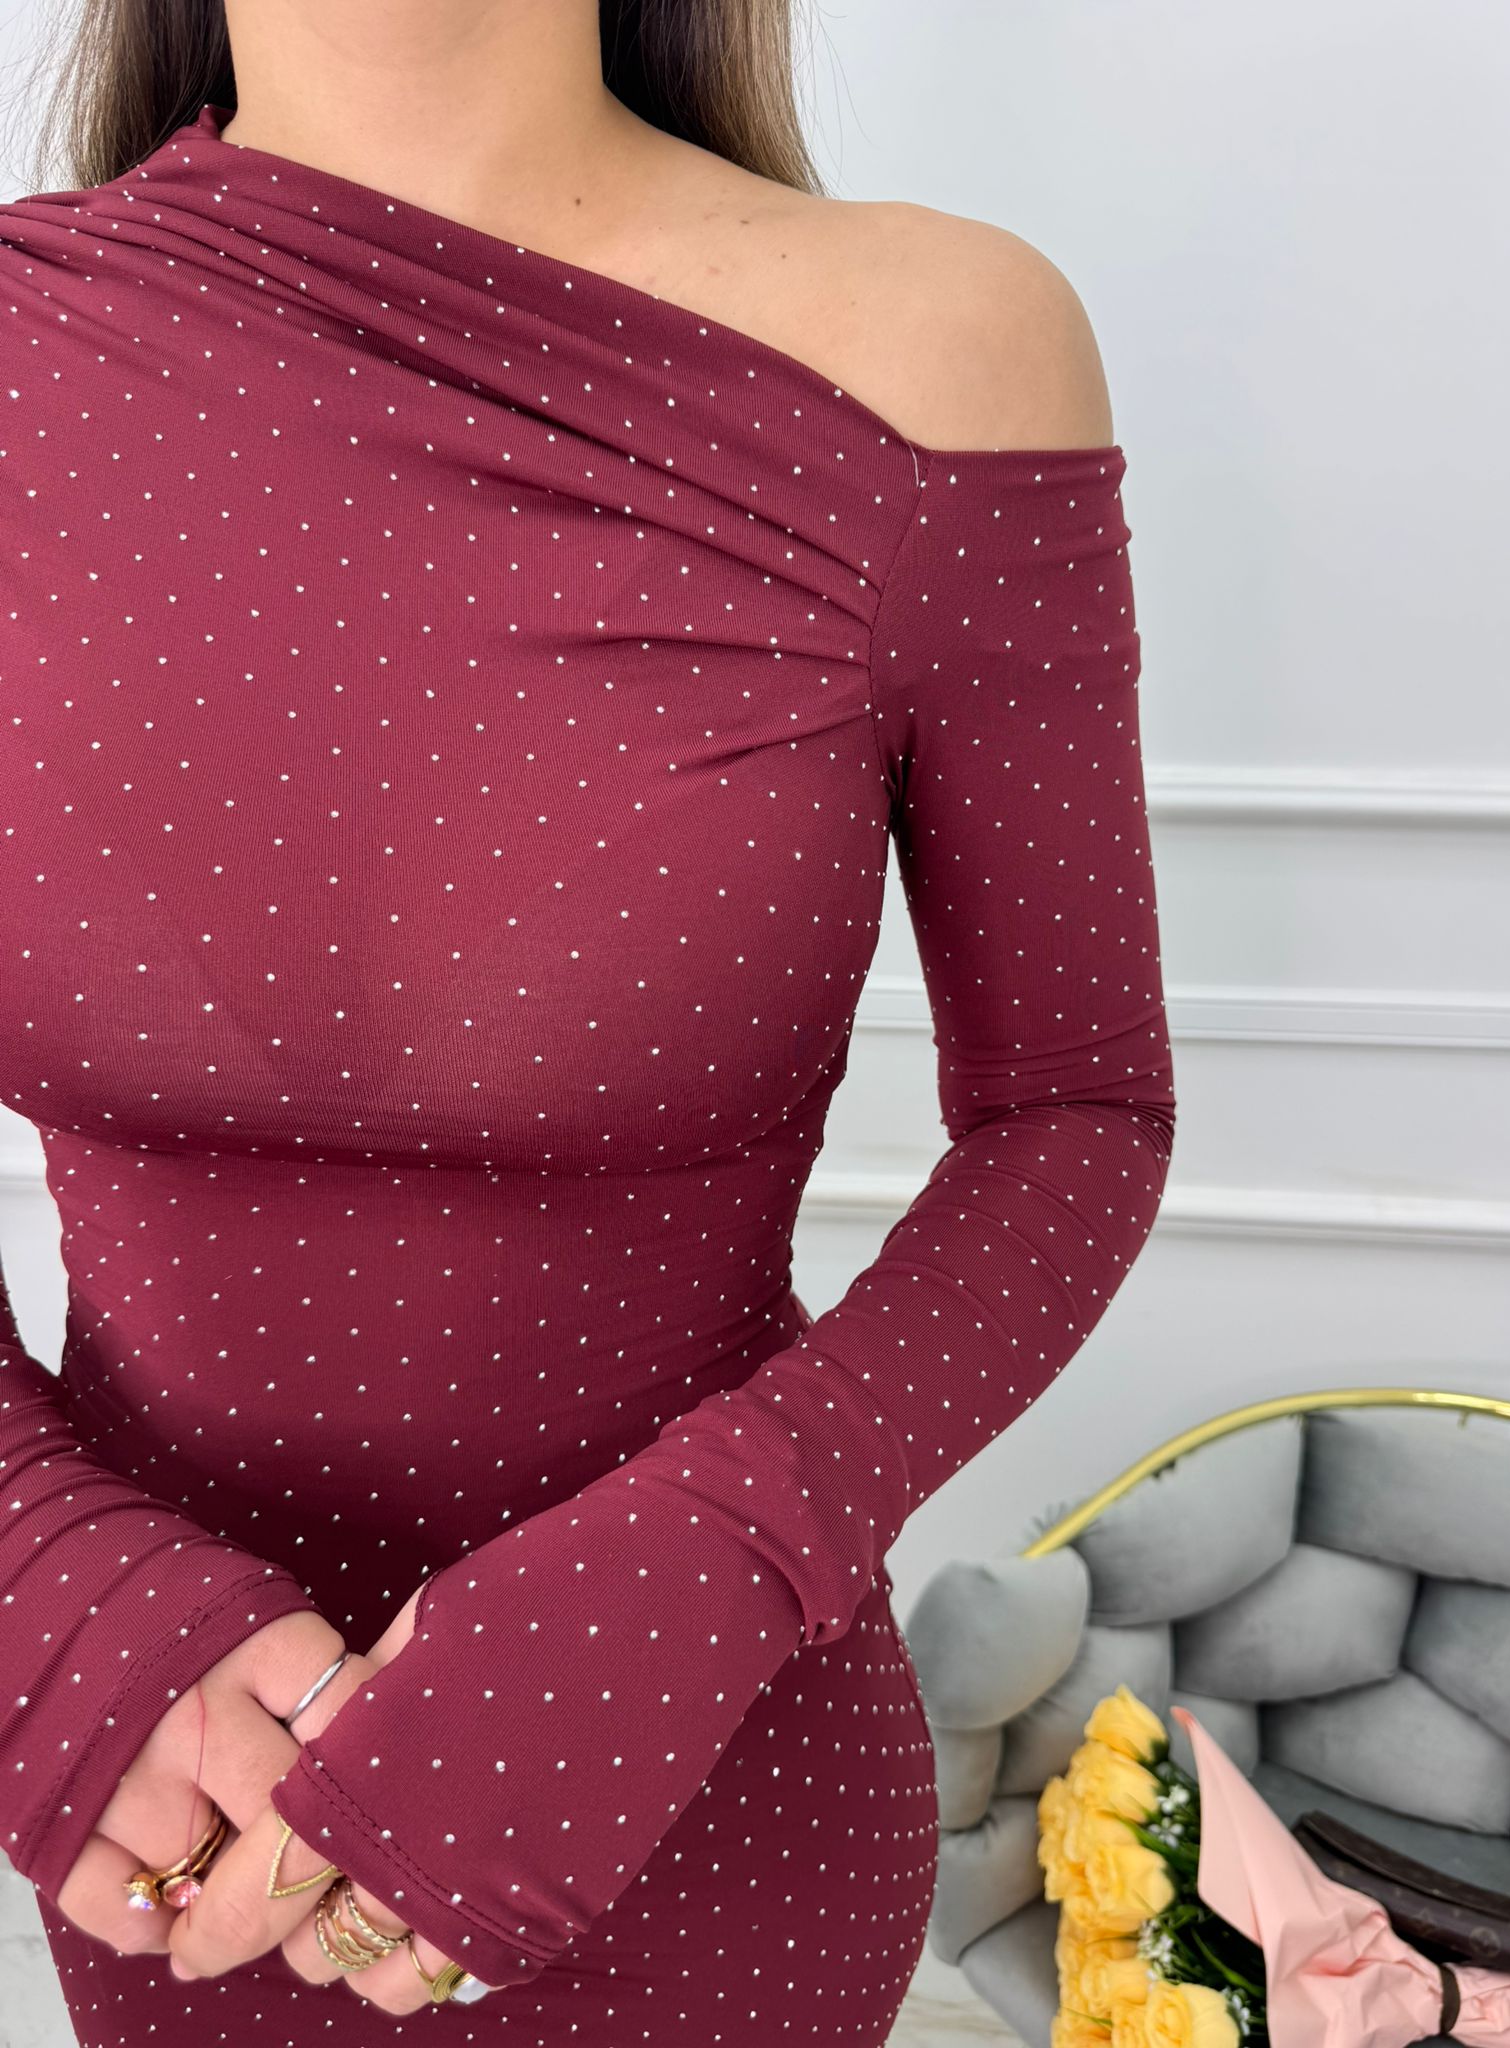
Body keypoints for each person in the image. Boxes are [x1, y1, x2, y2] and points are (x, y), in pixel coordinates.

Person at [0, 1, 1177, 2040]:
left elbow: (1076, 1116)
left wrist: (685, 1585)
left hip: (721, 1802)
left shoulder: (941, 346)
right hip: (174, 1807)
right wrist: (44, 1582)